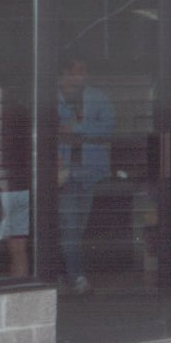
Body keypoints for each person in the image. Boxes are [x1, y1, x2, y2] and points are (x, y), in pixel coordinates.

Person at [56, 57, 116, 296]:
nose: (82, 76)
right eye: (78, 71)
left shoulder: (97, 97)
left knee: (77, 229)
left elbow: (109, 127)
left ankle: (63, 273)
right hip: (63, 173)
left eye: (85, 71)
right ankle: (77, 277)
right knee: (70, 227)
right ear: (66, 73)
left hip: (89, 172)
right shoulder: (51, 97)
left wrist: (78, 129)